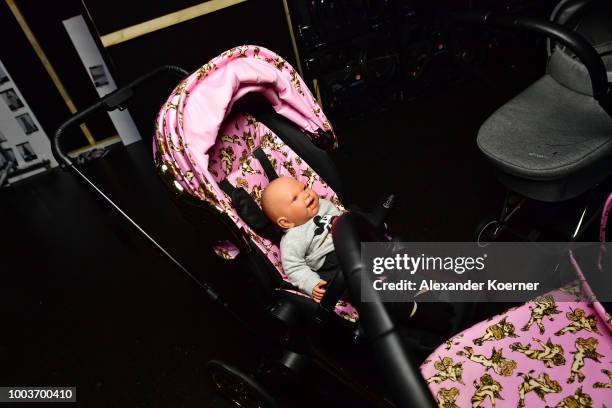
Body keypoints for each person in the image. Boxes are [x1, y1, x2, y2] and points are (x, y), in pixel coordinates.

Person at [261, 176, 341, 302]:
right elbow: (294, 267)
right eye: (295, 198)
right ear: (286, 222)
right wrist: (311, 283)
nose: (306, 194)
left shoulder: (322, 204)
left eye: (304, 188)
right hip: (330, 261)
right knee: (350, 281)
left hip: (348, 238)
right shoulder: (292, 238)